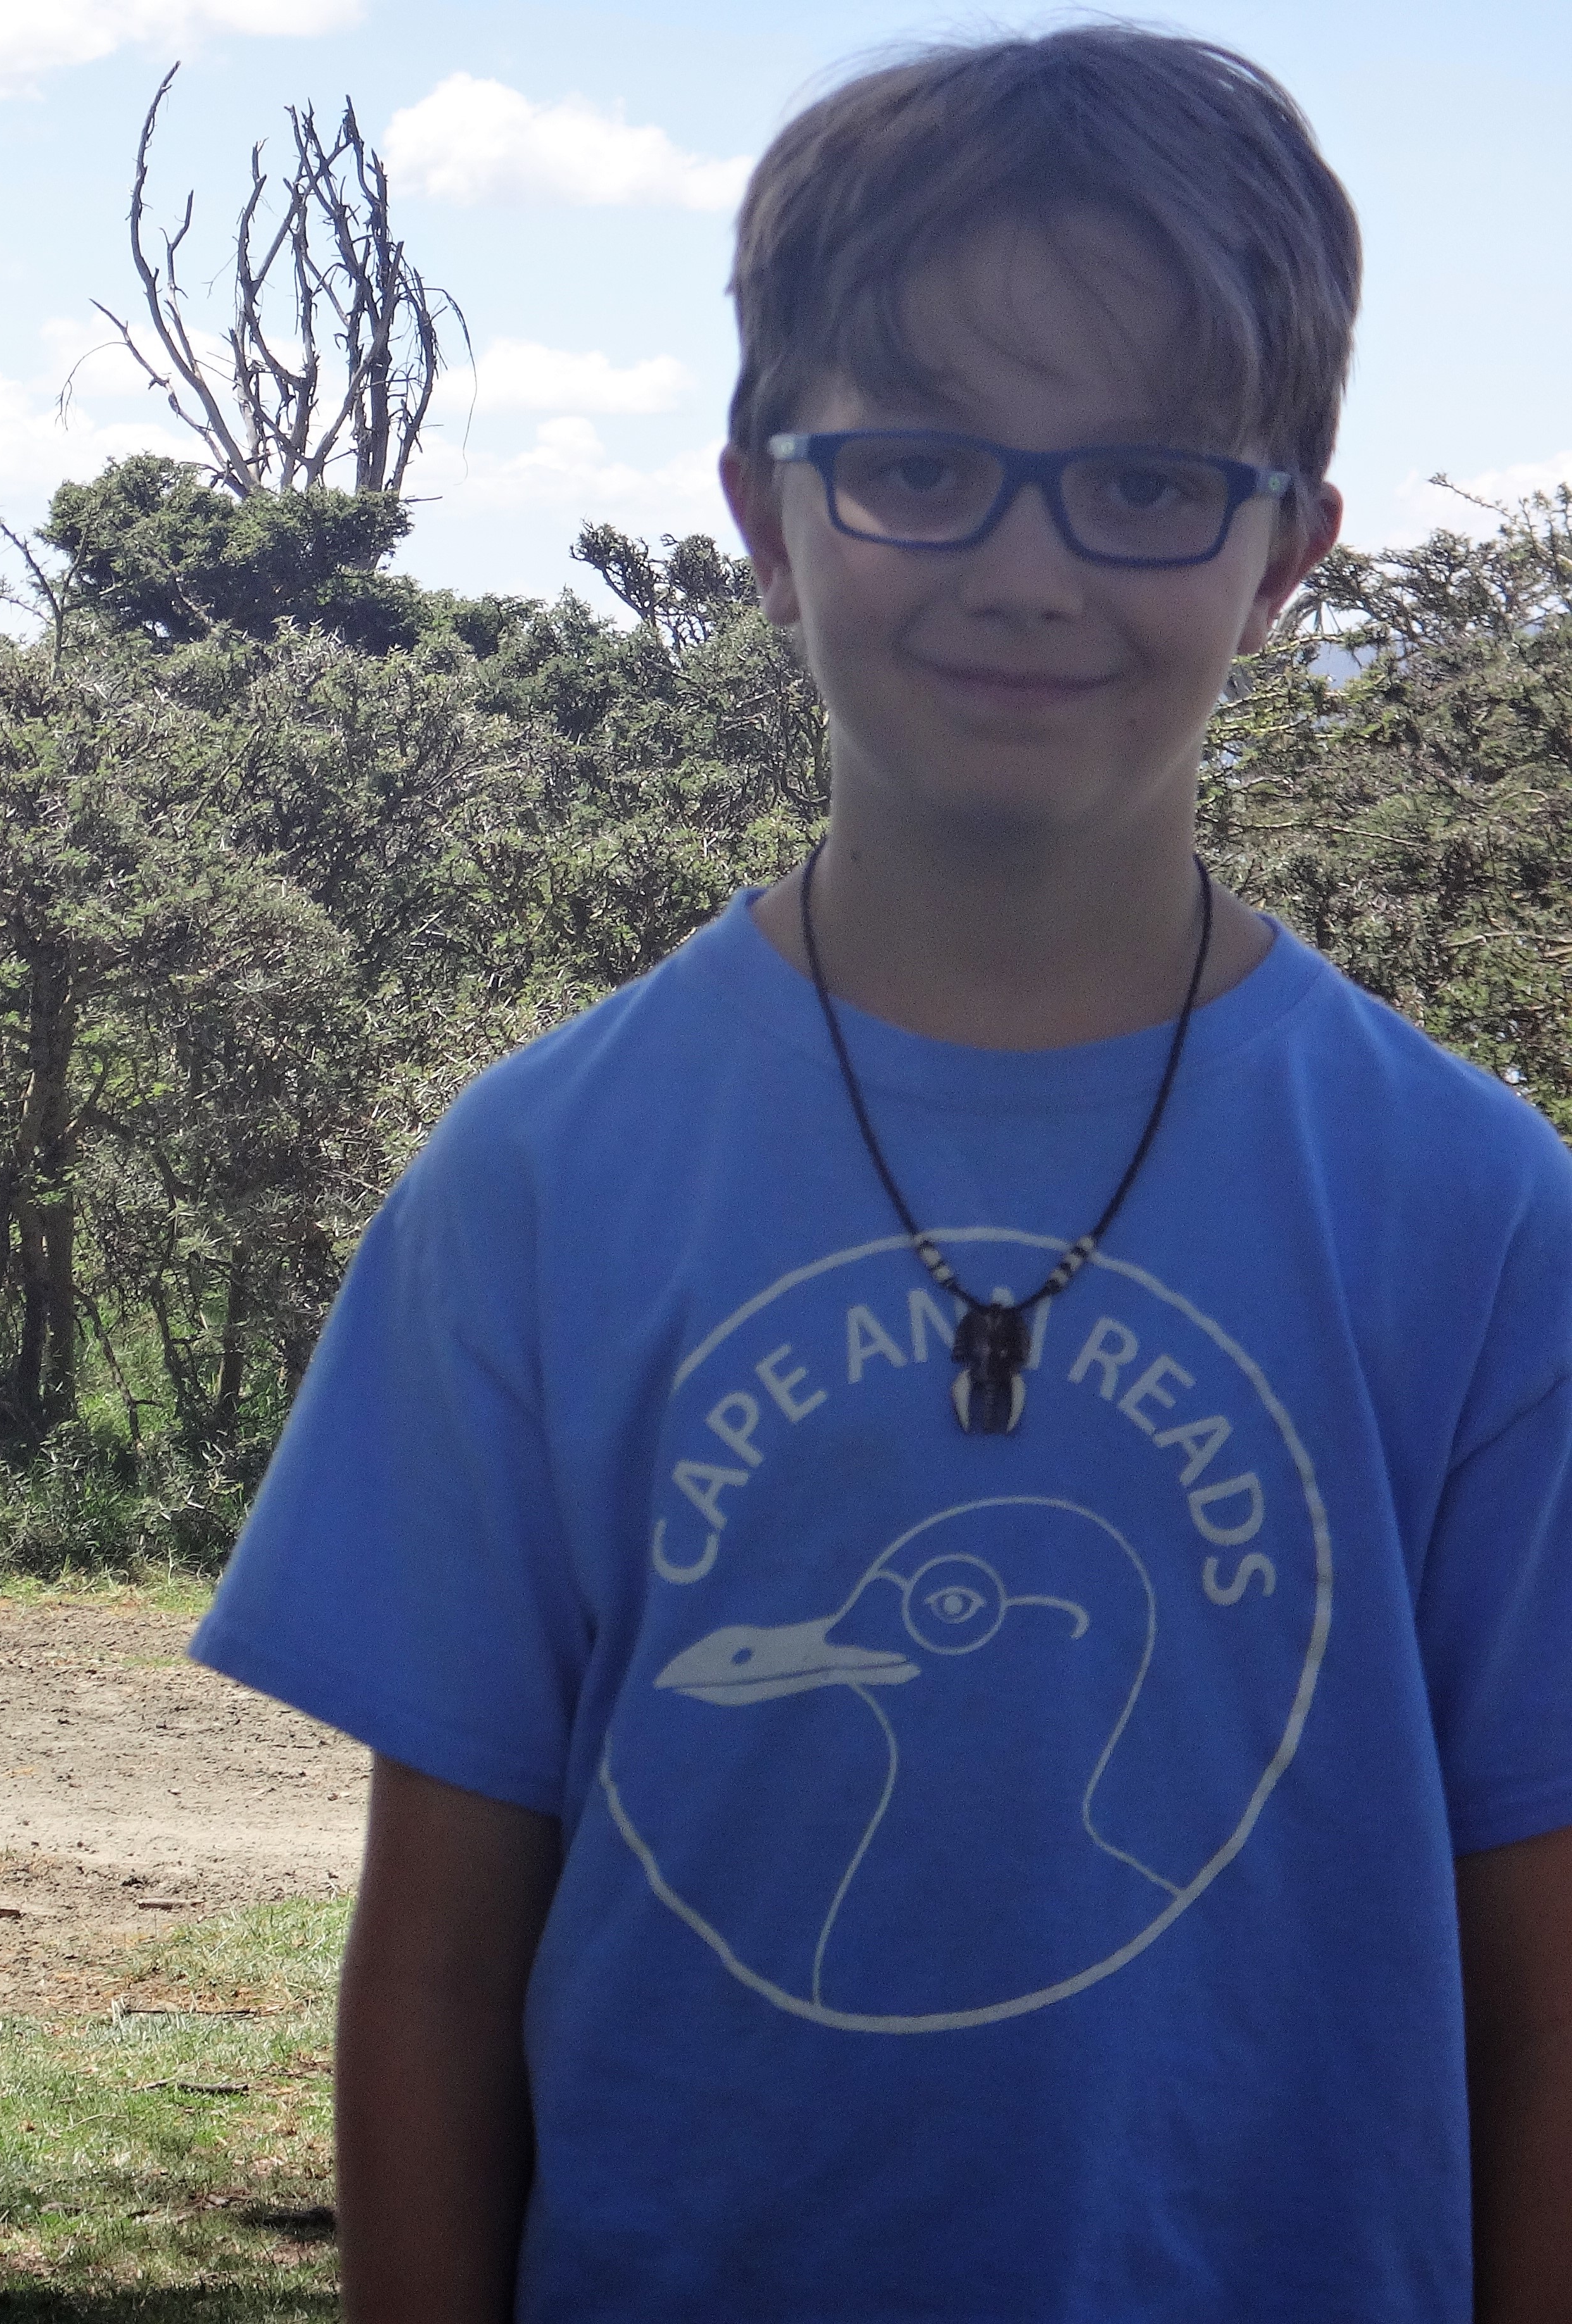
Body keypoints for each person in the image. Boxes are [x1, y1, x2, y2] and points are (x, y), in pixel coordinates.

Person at [189, 26, 1572, 2321]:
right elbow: (437, 1972)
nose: (1028, 573)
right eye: (923, 464)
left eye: (1143, 483)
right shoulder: (536, 1183)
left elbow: (1546, 1998)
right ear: (765, 509)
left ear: (1287, 557)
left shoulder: (1480, 1216)